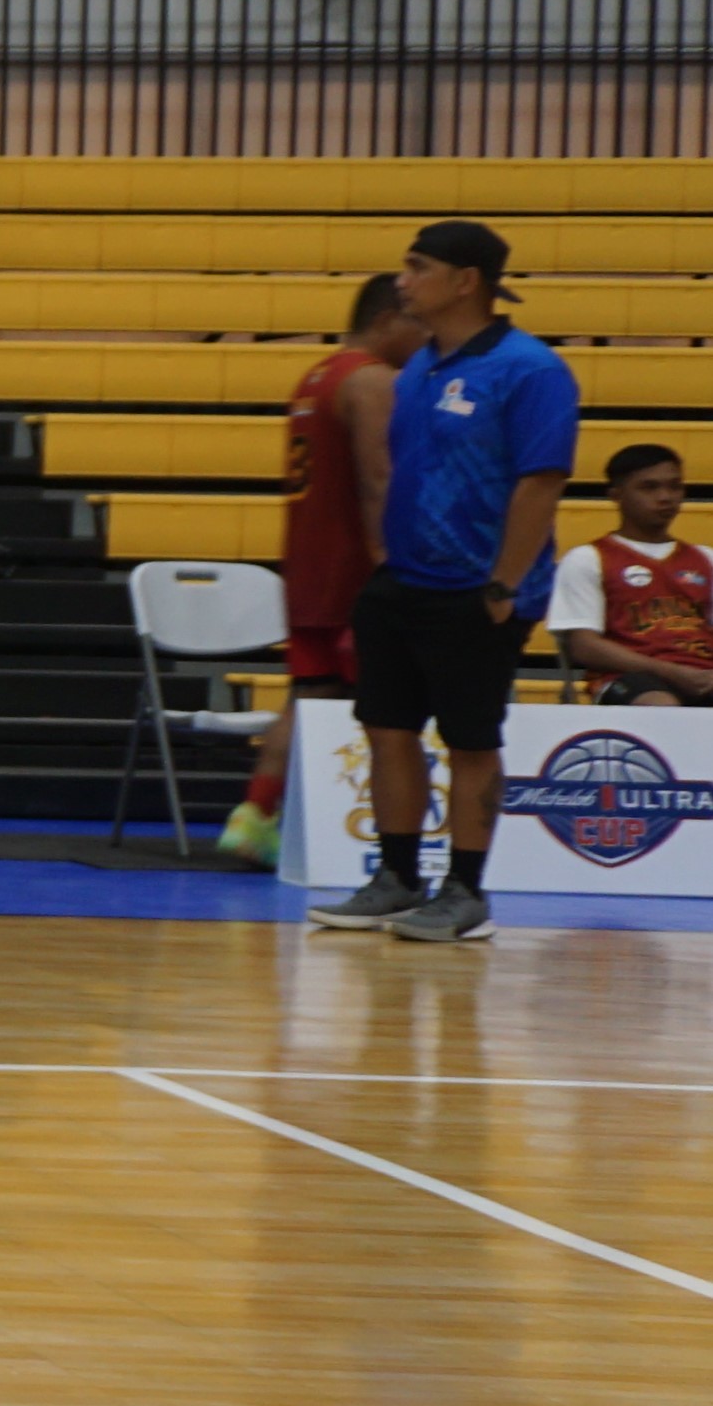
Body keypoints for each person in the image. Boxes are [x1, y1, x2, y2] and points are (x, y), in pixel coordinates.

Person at [316, 219, 578, 945]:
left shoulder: (531, 369)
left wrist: (502, 586)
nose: (402, 281)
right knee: (387, 729)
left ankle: (466, 891)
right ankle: (397, 877)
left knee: (469, 739)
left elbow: (540, 484)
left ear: (466, 280)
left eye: (416, 266)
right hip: (404, 580)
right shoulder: (420, 366)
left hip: (477, 590)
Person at [227, 274, 410, 866]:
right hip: (355, 568)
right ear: (390, 320)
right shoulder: (373, 379)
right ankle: (379, 840)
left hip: (308, 564)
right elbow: (377, 479)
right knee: (384, 702)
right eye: (422, 328)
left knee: (310, 693)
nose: (429, 341)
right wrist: (390, 563)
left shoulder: (315, 376)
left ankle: (256, 813)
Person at [550, 443, 713, 705]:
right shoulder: (588, 558)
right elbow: (584, 646)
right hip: (626, 677)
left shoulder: (706, 559)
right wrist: (673, 673)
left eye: (674, 486)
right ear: (616, 495)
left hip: (702, 673)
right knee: (661, 705)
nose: (665, 497)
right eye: (649, 488)